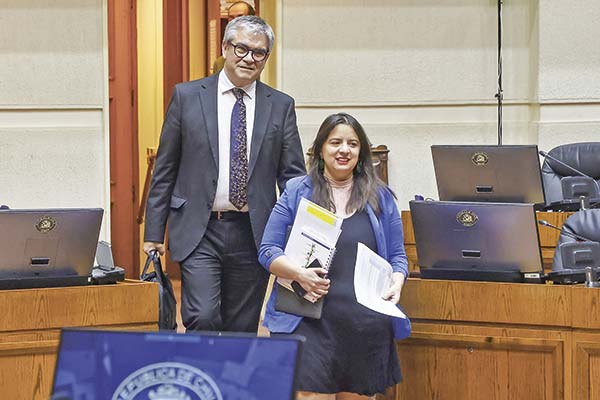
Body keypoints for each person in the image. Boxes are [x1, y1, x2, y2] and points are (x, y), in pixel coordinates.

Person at [143, 15, 305, 333]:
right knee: (201, 316)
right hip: (199, 229)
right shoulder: (187, 97)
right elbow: (165, 169)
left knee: (242, 327)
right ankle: (202, 380)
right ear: (225, 48)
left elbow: (292, 178)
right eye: (241, 48)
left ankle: (231, 383)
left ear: (266, 58)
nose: (248, 58)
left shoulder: (280, 105)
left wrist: (303, 235)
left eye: (258, 52)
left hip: (254, 231)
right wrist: (153, 233)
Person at [258, 113, 409, 399]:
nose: (344, 150)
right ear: (320, 149)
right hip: (307, 319)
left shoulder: (381, 197)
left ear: (361, 152)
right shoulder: (296, 191)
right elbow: (268, 251)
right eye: (335, 142)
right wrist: (298, 274)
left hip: (364, 323)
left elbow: (398, 256)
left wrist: (397, 281)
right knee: (309, 395)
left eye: (352, 144)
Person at [212, 1, 256, 74]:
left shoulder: (261, 50)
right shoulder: (221, 63)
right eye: (231, 18)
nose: (235, 21)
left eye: (240, 17)